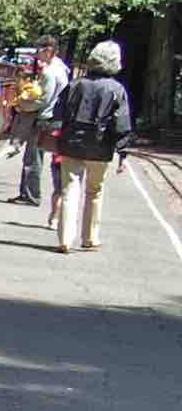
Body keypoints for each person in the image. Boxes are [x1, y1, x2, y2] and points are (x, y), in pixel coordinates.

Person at [47, 39, 134, 254]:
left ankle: (65, 239)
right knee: (94, 191)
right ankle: (90, 237)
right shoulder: (116, 89)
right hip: (100, 146)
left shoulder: (76, 85)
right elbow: (121, 123)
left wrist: (55, 137)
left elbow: (58, 114)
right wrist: (122, 152)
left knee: (69, 189)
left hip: (72, 143)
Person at [10, 34, 69, 208]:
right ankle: (28, 193)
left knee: (33, 157)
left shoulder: (51, 72)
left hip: (44, 118)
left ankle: (31, 195)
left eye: (39, 50)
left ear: (48, 50)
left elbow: (43, 99)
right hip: (53, 117)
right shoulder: (61, 68)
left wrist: (22, 104)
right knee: (36, 157)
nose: (37, 55)